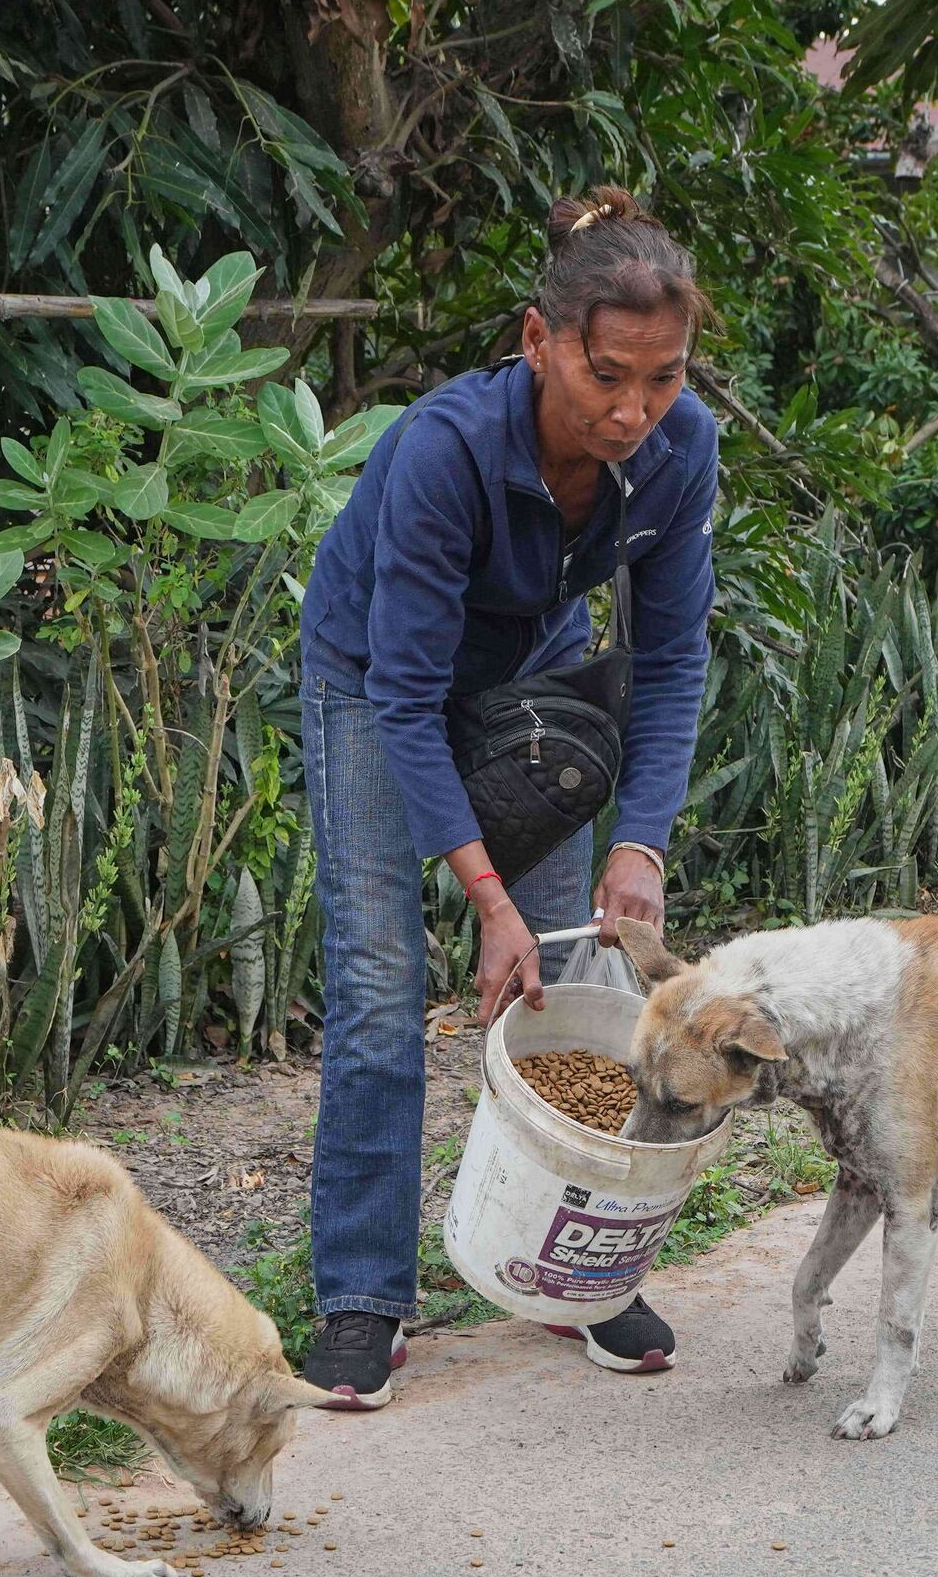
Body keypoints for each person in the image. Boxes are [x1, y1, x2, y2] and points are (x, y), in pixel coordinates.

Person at [294, 188, 718, 1408]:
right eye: (607, 376)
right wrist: (486, 896)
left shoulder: (678, 455)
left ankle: (569, 1274)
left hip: (534, 677)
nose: (635, 411)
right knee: (379, 985)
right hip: (375, 683)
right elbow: (408, 690)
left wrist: (637, 839)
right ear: (541, 342)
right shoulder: (442, 450)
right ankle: (363, 1291)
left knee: (569, 990)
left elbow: (676, 654)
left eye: (666, 378)